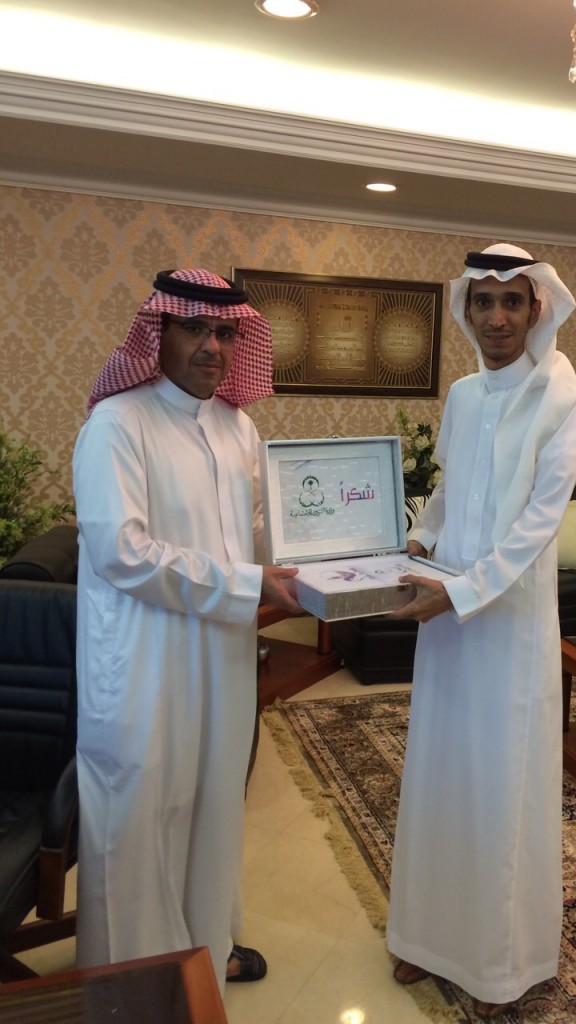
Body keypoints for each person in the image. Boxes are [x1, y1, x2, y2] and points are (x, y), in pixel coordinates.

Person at [72, 268, 302, 991]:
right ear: (159, 331)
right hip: (145, 659)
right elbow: (123, 552)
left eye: (226, 333)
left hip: (224, 652)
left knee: (213, 801)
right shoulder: (118, 424)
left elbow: (257, 532)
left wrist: (326, 562)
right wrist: (247, 585)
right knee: (142, 811)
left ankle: (205, 946)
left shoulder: (238, 427)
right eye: (195, 329)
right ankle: (133, 980)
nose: (213, 347)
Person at [386, 243, 576, 1018]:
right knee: (439, 776)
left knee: (500, 790)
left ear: (537, 307)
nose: (497, 317)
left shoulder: (562, 396)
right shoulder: (465, 395)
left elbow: (539, 522)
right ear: (466, 309)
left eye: (511, 301)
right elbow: (448, 489)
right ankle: (425, 934)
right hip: (449, 618)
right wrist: (418, 539)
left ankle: (500, 967)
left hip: (506, 626)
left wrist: (462, 592)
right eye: (483, 301)